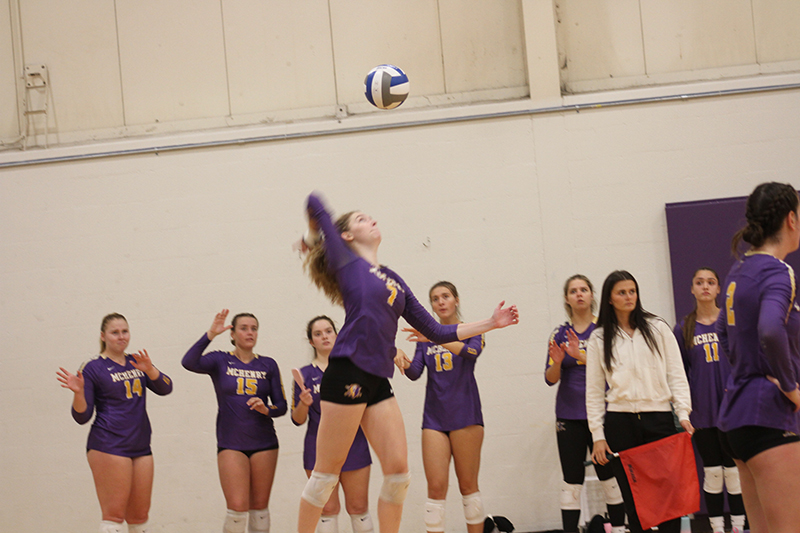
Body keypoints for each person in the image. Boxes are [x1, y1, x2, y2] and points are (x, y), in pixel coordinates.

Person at [295, 192, 519, 533]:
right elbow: (314, 201)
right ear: (347, 236)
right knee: (325, 477)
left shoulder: (393, 278)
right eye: (360, 219)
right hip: (348, 371)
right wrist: (315, 239)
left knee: (399, 475)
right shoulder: (345, 260)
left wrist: (491, 323)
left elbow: (435, 329)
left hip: (377, 378)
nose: (370, 219)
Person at [715, 182, 800, 533]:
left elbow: (721, 331)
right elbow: (769, 329)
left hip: (738, 418)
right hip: (770, 417)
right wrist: (790, 386)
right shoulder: (778, 271)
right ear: (791, 219)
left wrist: (747, 371)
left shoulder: (740, 270)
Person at [586, 270, 693, 533]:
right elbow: (594, 391)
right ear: (610, 299)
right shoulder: (599, 338)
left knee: (668, 494)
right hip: (620, 422)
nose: (628, 296)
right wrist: (597, 435)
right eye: (621, 292)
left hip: (658, 418)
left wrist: (683, 414)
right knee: (634, 497)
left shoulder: (658, 328)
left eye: (632, 291)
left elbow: (677, 374)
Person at [56, 313, 173, 533]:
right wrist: (79, 392)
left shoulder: (136, 361)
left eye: (125, 331)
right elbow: (81, 416)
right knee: (114, 517)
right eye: (115, 332)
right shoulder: (93, 367)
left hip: (140, 445)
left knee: (140, 517)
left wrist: (150, 369)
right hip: (109, 444)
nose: (121, 337)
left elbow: (166, 387)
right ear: (103, 336)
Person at [393, 281, 489, 533]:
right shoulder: (426, 337)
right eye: (435, 299)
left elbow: (470, 353)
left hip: (466, 415)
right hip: (434, 418)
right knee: (435, 490)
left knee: (468, 487)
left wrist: (436, 337)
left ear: (456, 300)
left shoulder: (471, 330)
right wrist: (400, 359)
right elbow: (415, 372)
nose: (441, 302)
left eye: (446, 296)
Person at [182, 310, 287, 533]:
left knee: (259, 510)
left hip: (265, 443)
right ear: (232, 333)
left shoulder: (268, 365)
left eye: (254, 328)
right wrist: (210, 334)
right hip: (232, 443)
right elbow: (188, 362)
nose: (250, 332)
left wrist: (266, 409)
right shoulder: (220, 359)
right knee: (238, 508)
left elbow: (282, 406)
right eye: (244, 328)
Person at [545, 275, 625, 533]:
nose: (579, 294)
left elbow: (615, 370)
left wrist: (579, 354)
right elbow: (549, 379)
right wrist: (557, 361)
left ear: (592, 295)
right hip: (568, 416)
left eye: (584, 290)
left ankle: (620, 529)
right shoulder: (559, 333)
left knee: (609, 477)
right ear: (567, 298)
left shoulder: (605, 330)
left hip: (601, 415)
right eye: (573, 291)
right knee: (572, 481)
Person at [674, 268, 745, 533]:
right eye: (699, 282)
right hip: (702, 412)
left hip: (733, 410)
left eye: (711, 282)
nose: (705, 286)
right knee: (713, 472)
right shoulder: (683, 328)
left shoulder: (730, 323)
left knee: (735, 472)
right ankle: (716, 527)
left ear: (718, 290)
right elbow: (678, 372)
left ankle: (739, 526)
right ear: (692, 289)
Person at [292, 315, 374, 533]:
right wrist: (304, 404)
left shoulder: (355, 368)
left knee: (359, 508)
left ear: (336, 335)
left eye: (328, 331)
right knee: (328, 510)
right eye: (318, 334)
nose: (324, 337)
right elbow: (297, 419)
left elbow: (370, 408)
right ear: (311, 341)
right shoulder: (304, 374)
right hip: (318, 448)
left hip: (354, 444)